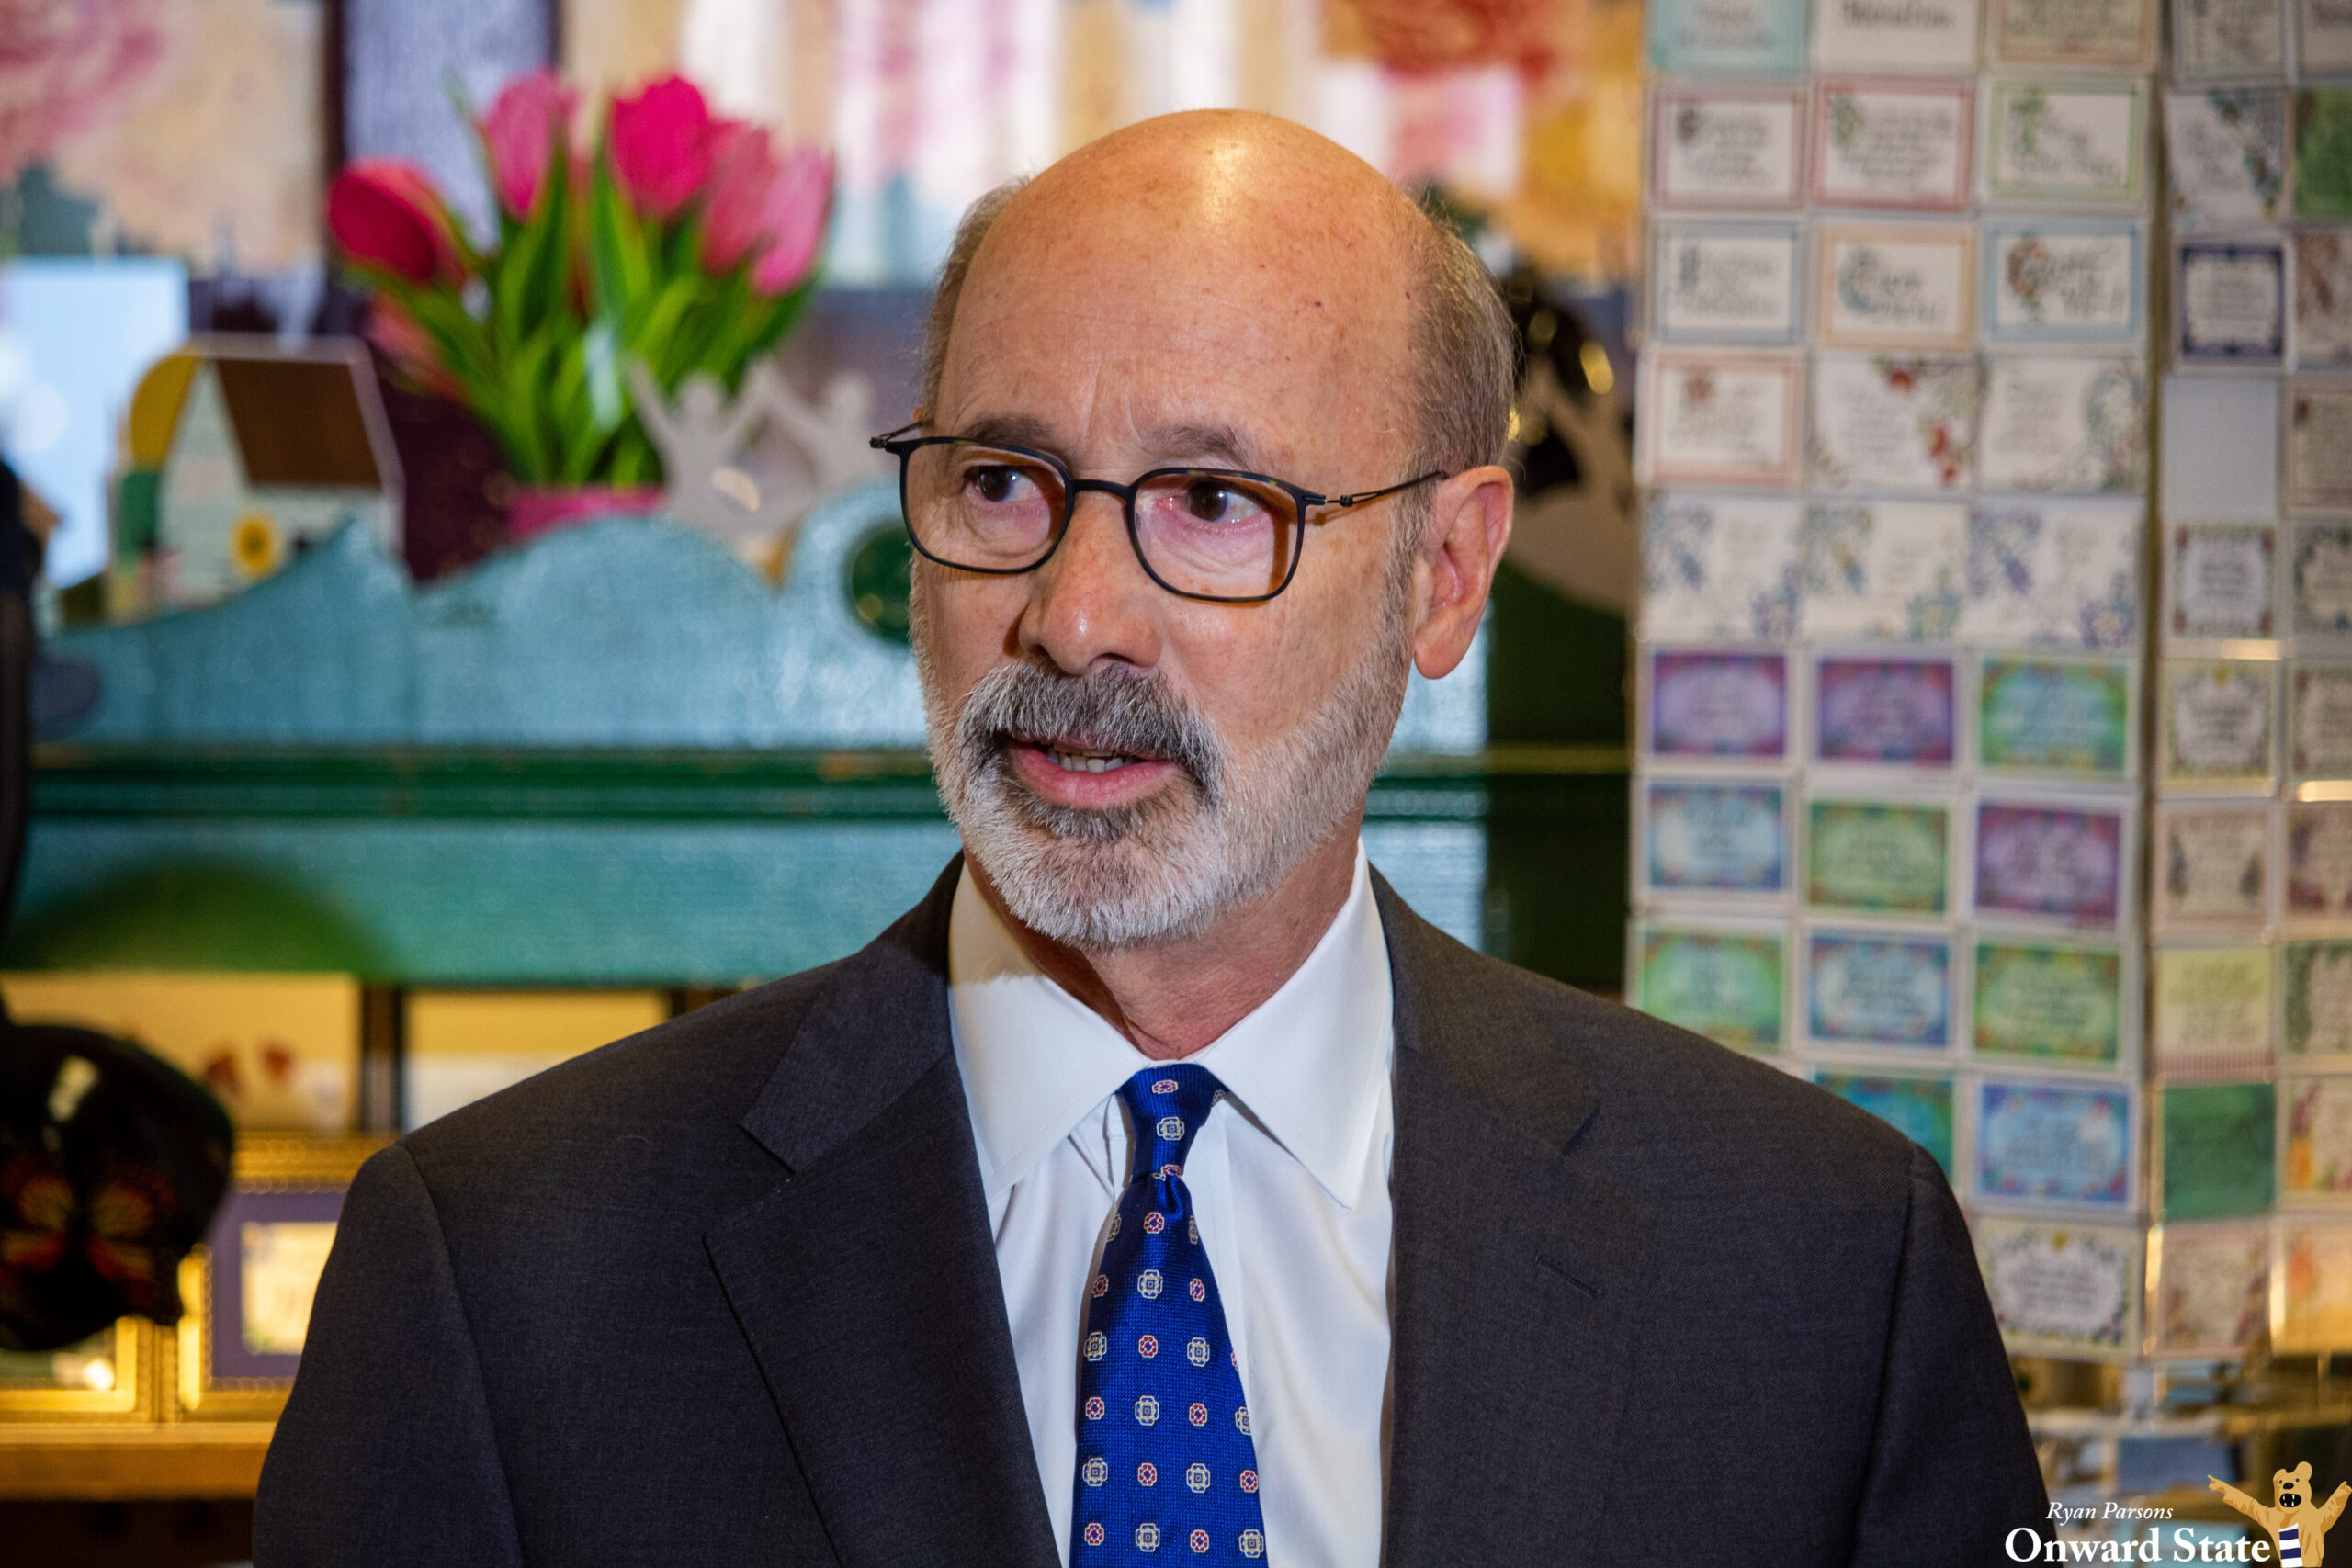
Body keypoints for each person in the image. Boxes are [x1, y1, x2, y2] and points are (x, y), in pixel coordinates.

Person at [254, 111, 2047, 1567]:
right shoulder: (506, 1278)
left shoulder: (1817, 1274)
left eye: (1209, 501)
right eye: (1001, 483)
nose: (1073, 616)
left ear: (1443, 572)